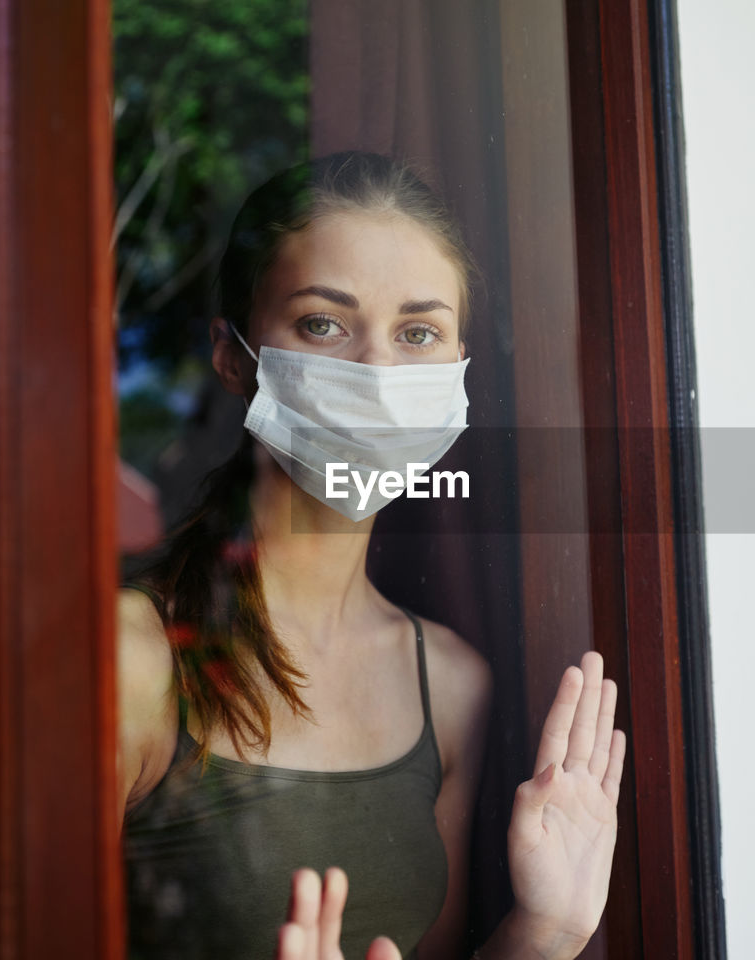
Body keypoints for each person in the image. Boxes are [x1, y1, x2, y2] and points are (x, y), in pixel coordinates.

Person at [118, 152, 626, 960]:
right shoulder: (131, 660)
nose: (381, 374)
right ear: (232, 355)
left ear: (460, 367)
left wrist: (546, 931)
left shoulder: (452, 684)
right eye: (324, 323)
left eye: (418, 332)